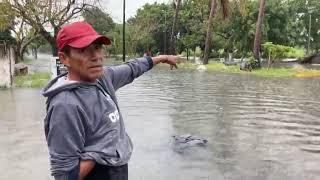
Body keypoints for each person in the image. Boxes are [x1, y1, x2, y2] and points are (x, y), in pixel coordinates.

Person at [42, 21, 179, 180]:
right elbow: (66, 175)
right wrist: (103, 146)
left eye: (98, 48)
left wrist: (162, 58)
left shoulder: (103, 78)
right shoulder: (65, 105)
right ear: (64, 58)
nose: (96, 57)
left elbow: (133, 68)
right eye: (83, 50)